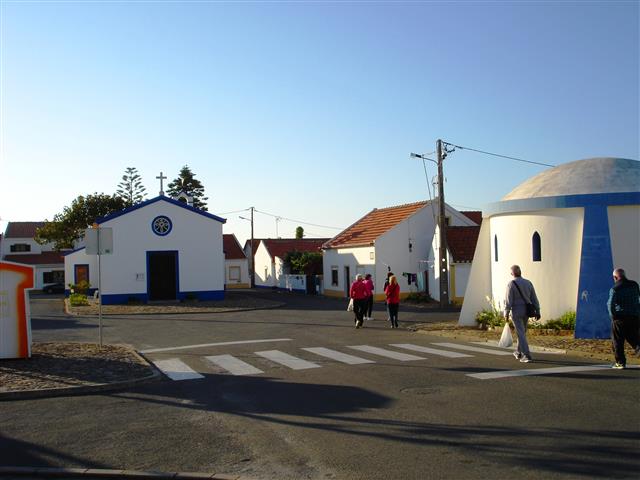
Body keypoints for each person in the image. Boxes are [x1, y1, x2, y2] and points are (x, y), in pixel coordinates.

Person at [504, 265, 540, 363]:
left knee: (520, 333)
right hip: (527, 311)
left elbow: (508, 300)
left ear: (512, 273)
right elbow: (534, 298)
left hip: (516, 311)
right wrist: (537, 311)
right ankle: (518, 352)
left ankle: (526, 355)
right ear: (520, 272)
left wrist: (506, 313)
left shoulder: (511, 284)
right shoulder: (528, 283)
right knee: (522, 332)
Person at [607, 268, 640, 369]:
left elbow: (610, 304)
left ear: (615, 277)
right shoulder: (634, 285)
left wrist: (613, 316)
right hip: (634, 317)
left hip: (620, 318)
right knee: (635, 339)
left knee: (617, 341)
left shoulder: (615, 289)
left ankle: (620, 363)